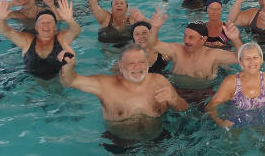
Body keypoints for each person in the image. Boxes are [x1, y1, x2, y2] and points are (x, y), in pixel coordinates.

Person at [59, 44, 188, 141]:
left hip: (156, 139)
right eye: (131, 63)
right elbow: (70, 81)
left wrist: (175, 99)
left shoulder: (159, 81)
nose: (137, 67)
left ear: (148, 64)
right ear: (120, 66)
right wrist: (68, 66)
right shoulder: (105, 86)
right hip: (119, 141)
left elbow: (183, 109)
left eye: (141, 62)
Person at [147, 11, 243, 103]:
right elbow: (153, 44)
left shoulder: (213, 55)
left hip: (203, 96)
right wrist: (155, 27)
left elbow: (239, 57)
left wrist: (235, 39)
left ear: (203, 39)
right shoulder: (176, 50)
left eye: (191, 37)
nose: (185, 40)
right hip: (177, 94)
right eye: (185, 36)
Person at [205, 42, 265, 128]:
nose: (252, 61)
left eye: (255, 57)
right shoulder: (231, 82)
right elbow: (210, 107)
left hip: (263, 118)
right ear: (241, 63)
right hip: (236, 120)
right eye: (247, 58)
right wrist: (221, 122)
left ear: (261, 60)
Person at [0, 0, 80, 80]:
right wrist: (0, 19)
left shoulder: (61, 38)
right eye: (42, 22)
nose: (46, 25)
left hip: (57, 78)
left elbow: (75, 32)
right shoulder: (27, 40)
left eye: (49, 22)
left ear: (55, 27)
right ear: (36, 27)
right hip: (32, 80)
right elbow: (6, 32)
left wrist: (70, 20)